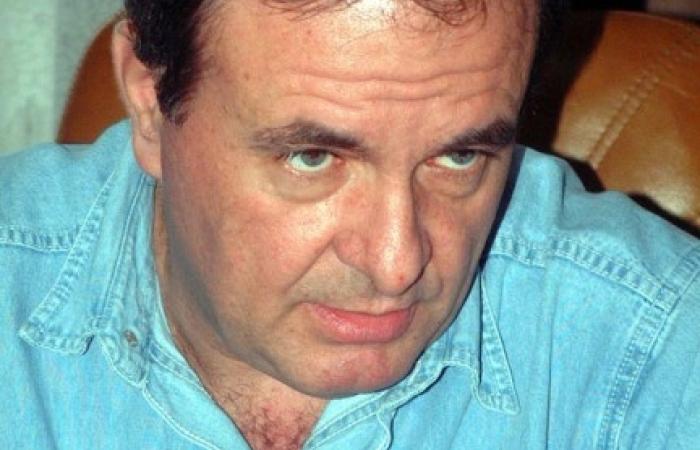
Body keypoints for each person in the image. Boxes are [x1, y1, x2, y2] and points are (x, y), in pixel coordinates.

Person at [1, 0, 698, 448]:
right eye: (313, 157)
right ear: (151, 102)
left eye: (460, 157)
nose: (397, 263)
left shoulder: (653, 349)